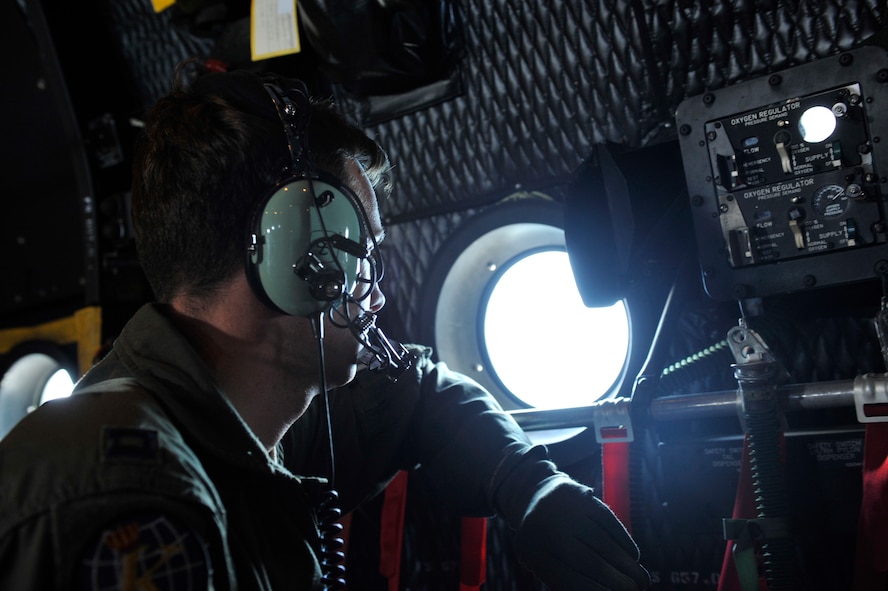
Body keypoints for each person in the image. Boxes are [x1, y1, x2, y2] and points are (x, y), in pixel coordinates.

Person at [0, 61, 650, 591]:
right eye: (360, 249)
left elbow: (421, 390)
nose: (378, 289)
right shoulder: (132, 495)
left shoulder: (247, 415)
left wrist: (527, 482)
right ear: (292, 262)